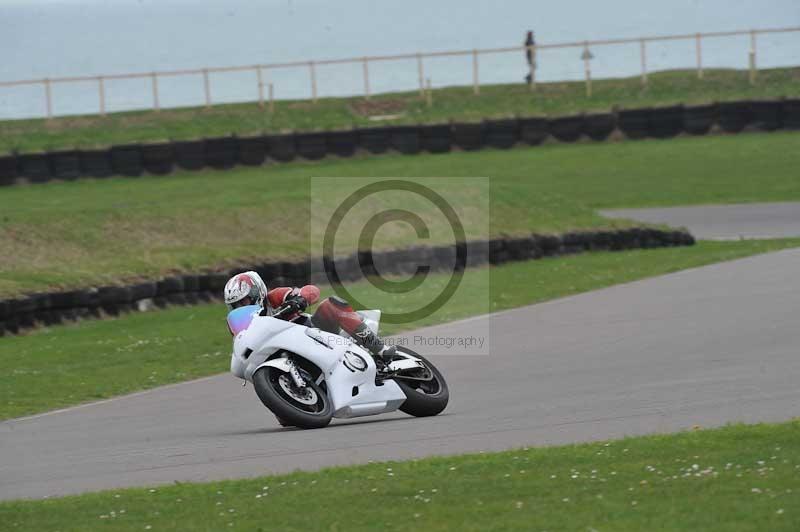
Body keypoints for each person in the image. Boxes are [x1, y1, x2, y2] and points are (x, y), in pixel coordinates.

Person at [223, 271, 395, 360]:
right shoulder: (240, 323)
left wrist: (299, 300)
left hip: (314, 334)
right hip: (284, 354)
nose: (241, 307)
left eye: (244, 301)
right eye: (236, 305)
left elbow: (312, 291)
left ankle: (380, 350)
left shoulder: (274, 297)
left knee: (330, 305)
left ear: (256, 292)